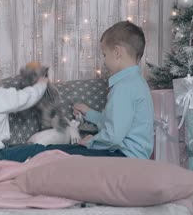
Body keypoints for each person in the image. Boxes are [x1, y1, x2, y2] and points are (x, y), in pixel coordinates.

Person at [46, 21, 154, 159]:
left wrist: (91, 142)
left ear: (117, 52)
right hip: (131, 155)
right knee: (60, 151)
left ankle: (23, 156)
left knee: (57, 153)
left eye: (104, 55)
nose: (104, 61)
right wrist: (89, 113)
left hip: (122, 156)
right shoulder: (137, 83)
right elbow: (117, 122)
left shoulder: (124, 88)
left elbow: (113, 137)